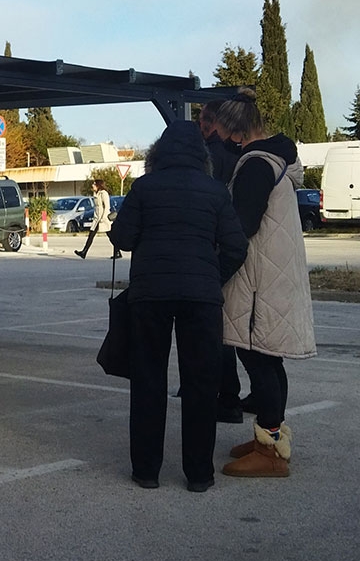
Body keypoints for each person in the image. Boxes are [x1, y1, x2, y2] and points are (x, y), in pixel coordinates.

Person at [108, 121, 248, 492]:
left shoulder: (144, 187)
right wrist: (212, 276)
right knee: (201, 384)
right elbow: (237, 246)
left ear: (158, 153)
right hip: (201, 298)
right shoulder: (215, 191)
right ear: (202, 155)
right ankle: (199, 474)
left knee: (148, 380)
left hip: (150, 294)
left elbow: (124, 238)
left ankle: (146, 471)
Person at [212, 89, 316, 478]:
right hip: (275, 274)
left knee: (258, 360)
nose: (221, 140)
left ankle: (269, 451)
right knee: (269, 359)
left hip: (259, 279)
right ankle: (269, 437)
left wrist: (216, 268)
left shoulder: (255, 165)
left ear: (237, 131)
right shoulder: (276, 158)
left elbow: (242, 228)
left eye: (223, 132)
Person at [199, 100, 247, 424]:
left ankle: (227, 396)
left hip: (216, 250)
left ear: (211, 122)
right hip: (239, 246)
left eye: (203, 120)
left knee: (219, 331)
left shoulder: (210, 158)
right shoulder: (240, 156)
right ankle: (245, 392)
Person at [74, 179, 119, 260]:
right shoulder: (96, 193)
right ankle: (84, 252)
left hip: (103, 218)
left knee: (111, 236)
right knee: (91, 234)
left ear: (99, 185)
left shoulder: (103, 193)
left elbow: (107, 206)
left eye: (94, 184)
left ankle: (117, 251)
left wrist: (104, 217)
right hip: (97, 218)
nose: (92, 185)